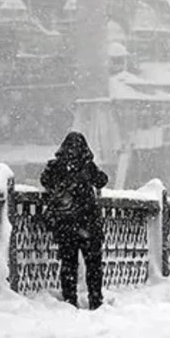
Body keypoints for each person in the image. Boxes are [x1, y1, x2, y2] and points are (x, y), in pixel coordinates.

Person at [40, 131, 109, 309]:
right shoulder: (87, 166)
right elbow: (102, 181)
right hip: (88, 223)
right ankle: (96, 300)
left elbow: (45, 180)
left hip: (66, 224)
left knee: (68, 264)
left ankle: (70, 300)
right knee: (93, 265)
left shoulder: (56, 166)